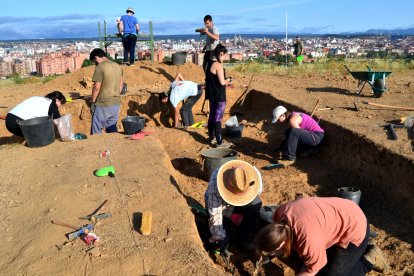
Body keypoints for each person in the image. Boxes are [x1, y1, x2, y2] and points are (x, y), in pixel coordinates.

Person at [255, 197, 390, 275]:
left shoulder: (307, 239)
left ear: (280, 243)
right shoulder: (280, 215)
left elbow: (313, 267)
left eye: (272, 251)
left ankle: (369, 259)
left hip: (354, 228)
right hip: (338, 216)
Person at [205, 160, 263, 253]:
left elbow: (257, 192)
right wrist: (219, 237)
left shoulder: (254, 175)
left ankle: (243, 239)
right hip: (221, 206)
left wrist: (241, 201)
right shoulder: (216, 184)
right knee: (222, 236)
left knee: (256, 204)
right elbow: (215, 214)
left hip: (240, 202)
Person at [89, 48, 123, 135]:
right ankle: (113, 146)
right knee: (111, 128)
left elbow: (97, 87)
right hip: (116, 102)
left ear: (96, 58)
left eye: (94, 61)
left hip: (103, 103)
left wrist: (93, 102)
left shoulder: (100, 67)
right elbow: (121, 85)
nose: (95, 64)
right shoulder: (117, 66)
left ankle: (97, 147)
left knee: (97, 128)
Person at [205, 43, 232, 147]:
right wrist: (228, 80)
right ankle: (220, 142)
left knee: (212, 117)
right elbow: (221, 82)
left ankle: (211, 137)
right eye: (225, 55)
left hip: (212, 95)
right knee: (218, 119)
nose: (225, 57)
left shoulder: (209, 63)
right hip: (219, 96)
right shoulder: (218, 66)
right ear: (220, 54)